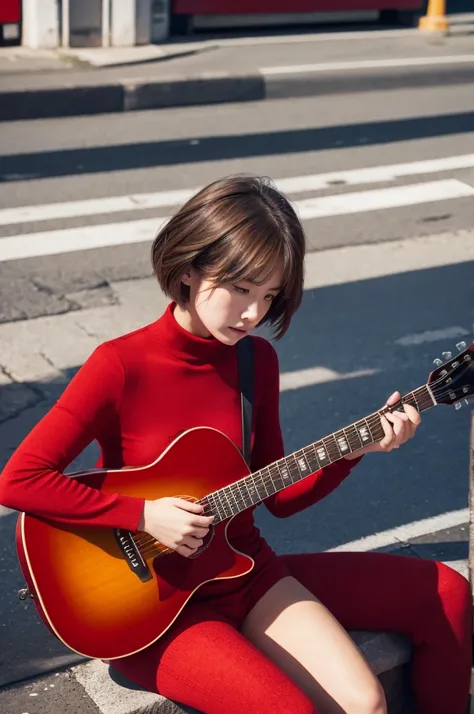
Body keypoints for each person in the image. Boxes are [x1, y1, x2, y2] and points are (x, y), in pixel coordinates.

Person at [0, 175, 471, 714]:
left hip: (245, 573)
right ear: (187, 271)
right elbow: (19, 480)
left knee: (373, 693)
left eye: (269, 295)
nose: (253, 314)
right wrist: (143, 515)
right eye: (241, 289)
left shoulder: (254, 361)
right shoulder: (120, 365)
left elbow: (278, 497)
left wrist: (352, 453)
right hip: (153, 606)